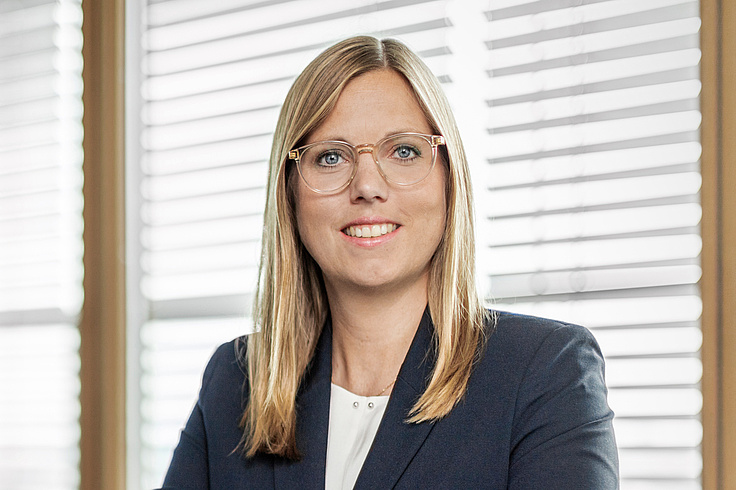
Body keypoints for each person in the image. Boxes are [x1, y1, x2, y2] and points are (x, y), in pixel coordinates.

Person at [161, 36, 619, 489]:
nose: (367, 186)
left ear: (449, 178)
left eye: (403, 151)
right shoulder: (236, 379)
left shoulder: (544, 370)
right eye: (330, 157)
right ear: (290, 192)